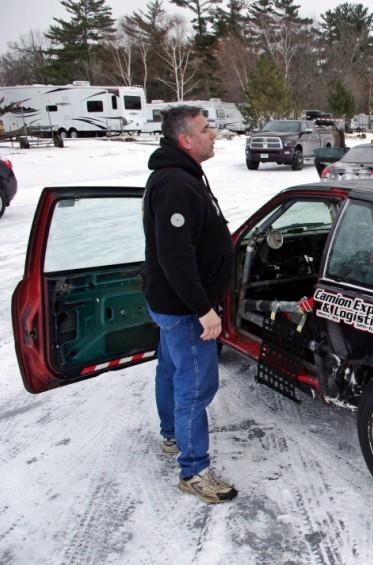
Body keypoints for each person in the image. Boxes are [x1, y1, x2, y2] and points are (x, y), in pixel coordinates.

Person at [141, 105, 238, 503]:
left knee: (170, 368)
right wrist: (204, 309)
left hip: (170, 302)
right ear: (185, 140)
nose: (212, 134)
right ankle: (194, 470)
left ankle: (171, 436)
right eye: (205, 129)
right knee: (196, 385)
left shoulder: (181, 176)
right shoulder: (176, 184)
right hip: (184, 308)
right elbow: (175, 257)